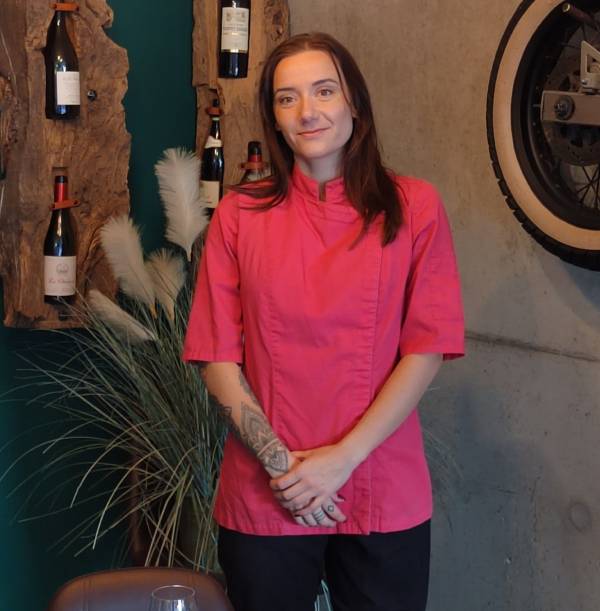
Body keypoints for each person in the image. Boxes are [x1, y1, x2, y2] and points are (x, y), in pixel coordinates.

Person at [183, 31, 464, 611]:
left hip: (381, 480)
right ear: (274, 118)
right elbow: (216, 356)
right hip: (268, 487)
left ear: (354, 102)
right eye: (287, 99)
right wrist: (283, 467)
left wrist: (342, 459)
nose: (307, 111)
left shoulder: (415, 207)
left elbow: (427, 346)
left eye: (324, 91)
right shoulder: (239, 215)